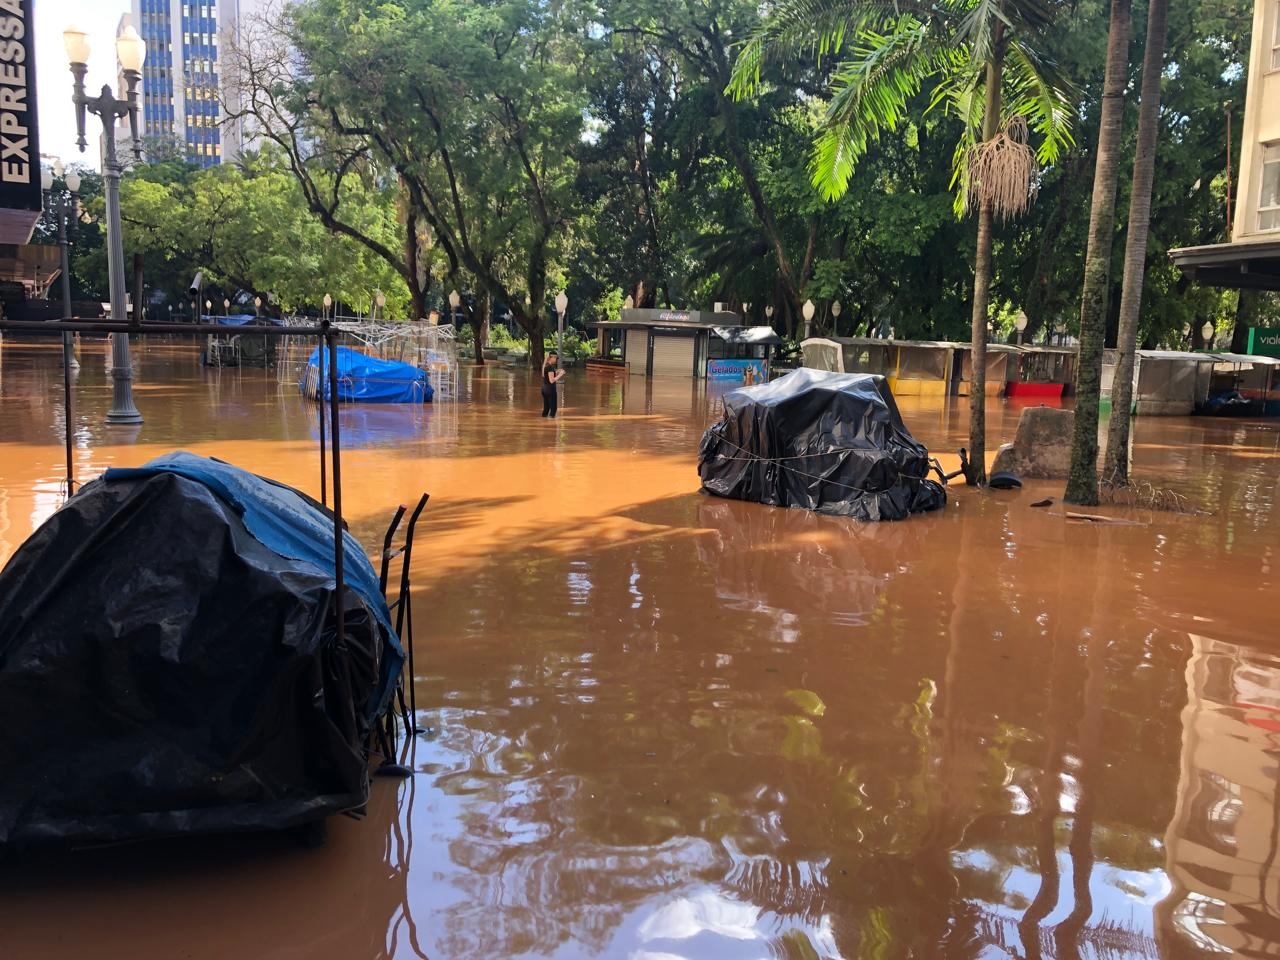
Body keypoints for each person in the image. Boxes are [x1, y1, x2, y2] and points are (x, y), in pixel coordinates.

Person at [541, 352, 565, 418]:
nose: (556, 360)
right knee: (553, 409)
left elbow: (547, 376)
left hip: (544, 389)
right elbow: (551, 380)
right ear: (552, 357)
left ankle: (543, 423)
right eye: (556, 358)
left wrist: (556, 372)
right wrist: (561, 374)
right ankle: (551, 426)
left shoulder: (546, 365)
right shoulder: (550, 367)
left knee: (546, 409)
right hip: (550, 389)